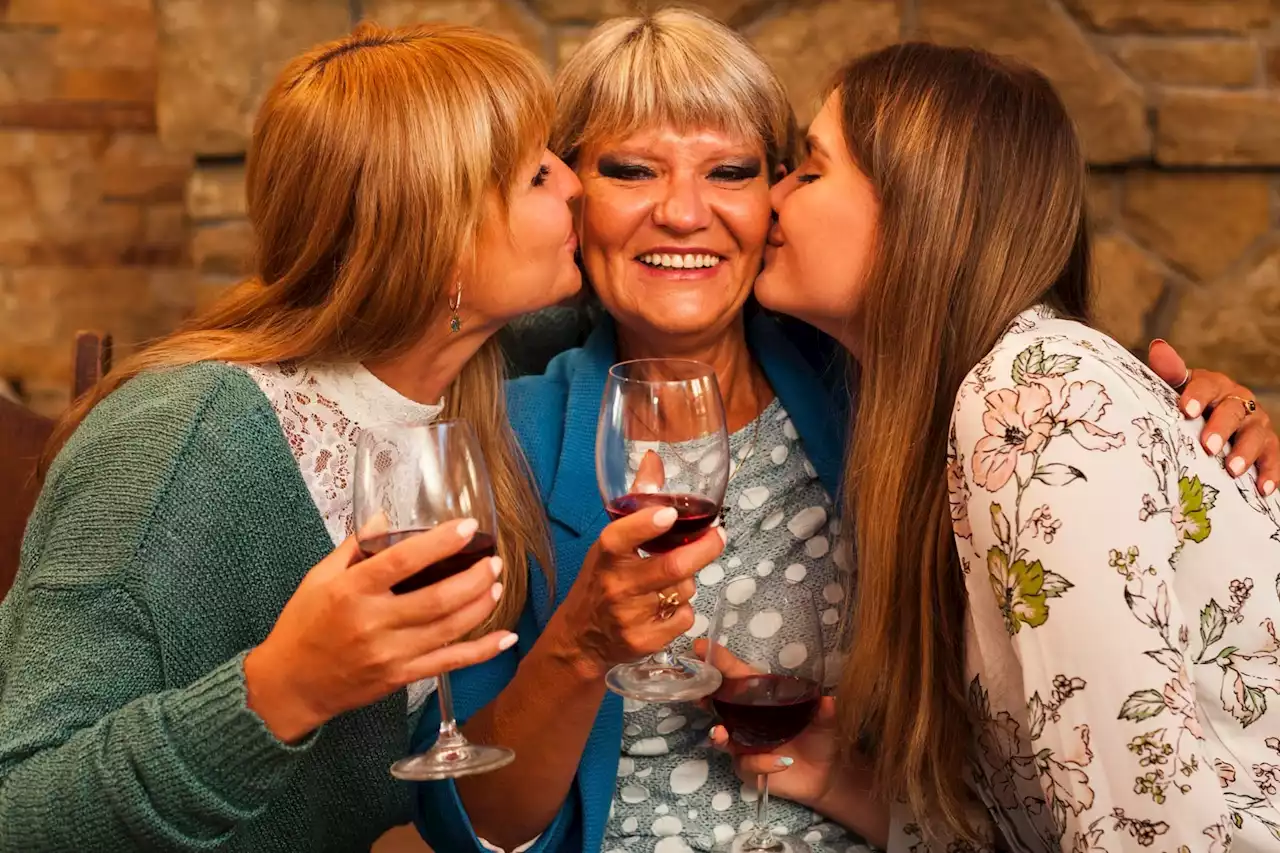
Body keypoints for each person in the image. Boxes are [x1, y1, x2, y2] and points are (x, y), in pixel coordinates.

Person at [415, 12, 1278, 853]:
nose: (682, 214)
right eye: (634, 170)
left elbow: (1089, 463)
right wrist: (577, 650)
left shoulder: (906, 395)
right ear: (572, 200)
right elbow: (481, 822)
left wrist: (1209, 432)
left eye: (734, 171)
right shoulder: (500, 436)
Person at [0, 23, 581, 852]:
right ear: (436, 230)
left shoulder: (480, 380)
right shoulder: (180, 441)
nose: (577, 184)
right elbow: (18, 808)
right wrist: (284, 687)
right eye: (538, 171)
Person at [729, 41, 1280, 852]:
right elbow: (1053, 821)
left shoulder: (1038, 397)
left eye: (809, 171)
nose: (772, 197)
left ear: (921, 202)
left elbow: (1145, 833)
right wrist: (839, 778)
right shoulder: (956, 419)